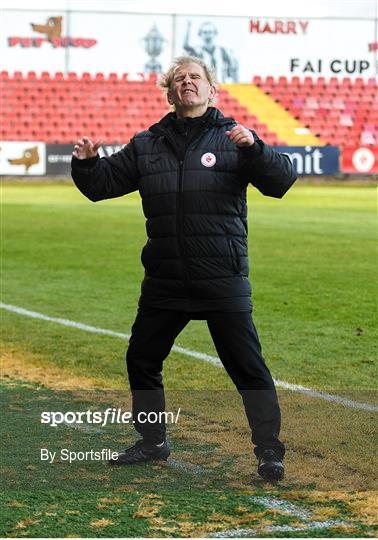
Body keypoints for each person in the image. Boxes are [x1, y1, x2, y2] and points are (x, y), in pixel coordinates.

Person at [71, 55, 297, 481]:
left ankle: (269, 451)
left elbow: (281, 181)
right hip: (166, 278)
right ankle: (153, 442)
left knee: (248, 368)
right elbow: (101, 186)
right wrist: (86, 164)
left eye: (196, 77)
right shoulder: (146, 144)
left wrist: (256, 149)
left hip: (221, 276)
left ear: (212, 89)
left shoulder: (235, 138)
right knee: (142, 357)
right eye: (179, 79)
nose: (188, 83)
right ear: (169, 91)